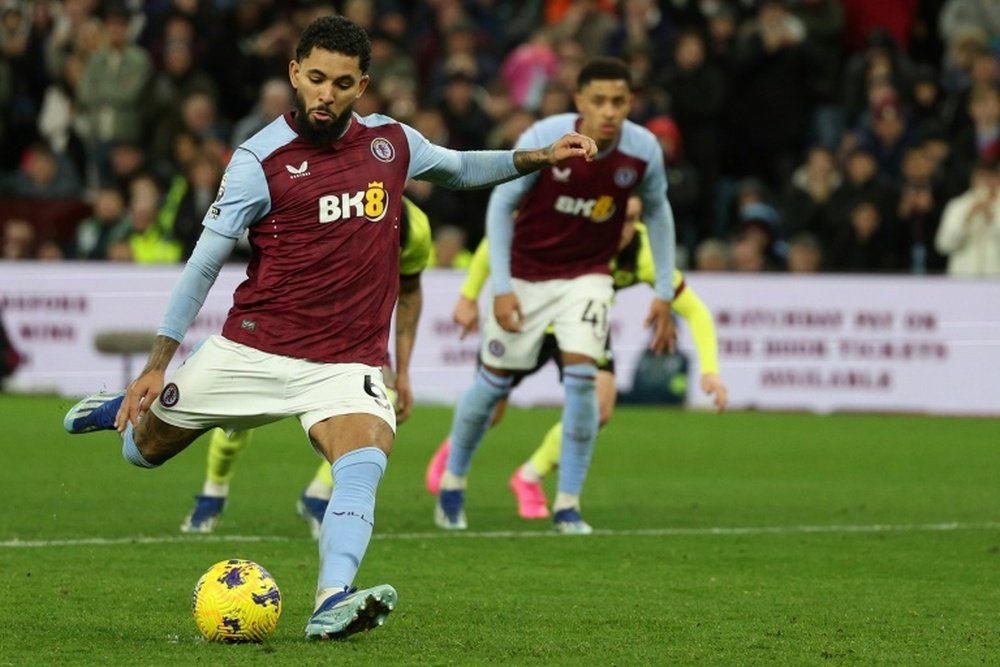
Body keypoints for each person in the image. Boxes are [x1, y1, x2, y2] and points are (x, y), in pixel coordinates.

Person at [63, 15, 596, 641]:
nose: (326, 94)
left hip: (346, 363)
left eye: (342, 83)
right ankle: (114, 412)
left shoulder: (391, 143)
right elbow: (205, 262)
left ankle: (331, 599)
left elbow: (461, 168)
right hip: (252, 349)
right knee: (145, 450)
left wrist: (541, 156)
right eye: (315, 78)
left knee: (365, 455)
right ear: (294, 73)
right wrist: (158, 362)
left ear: (362, 85)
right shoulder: (258, 159)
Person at [433, 57, 677, 536]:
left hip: (587, 276)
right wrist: (499, 288)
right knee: (492, 386)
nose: (609, 111)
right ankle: (453, 483)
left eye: (620, 101)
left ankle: (567, 504)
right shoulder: (544, 137)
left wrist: (665, 290)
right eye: (600, 101)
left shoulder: (643, 150)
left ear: (631, 103)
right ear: (579, 101)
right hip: (525, 274)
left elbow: (661, 213)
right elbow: (502, 207)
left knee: (584, 379)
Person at [425, 196, 727, 520]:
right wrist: (469, 296)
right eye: (620, 218)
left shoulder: (643, 253)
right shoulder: (568, 222)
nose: (625, 229)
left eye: (633, 220)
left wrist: (710, 371)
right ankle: (454, 455)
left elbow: (696, 311)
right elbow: (499, 234)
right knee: (493, 407)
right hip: (529, 313)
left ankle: (529, 476)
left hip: (583, 321)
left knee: (599, 408)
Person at [180, 197, 432, 536]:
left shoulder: (414, 228)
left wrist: (403, 372)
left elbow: (411, 291)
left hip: (353, 337)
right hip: (286, 323)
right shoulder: (322, 202)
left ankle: (318, 495)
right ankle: (214, 491)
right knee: (236, 415)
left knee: (383, 401)